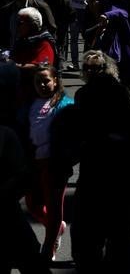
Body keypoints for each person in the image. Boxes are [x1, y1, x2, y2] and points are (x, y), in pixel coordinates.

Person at [58, 51, 130, 273]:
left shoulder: (82, 115)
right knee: (118, 251)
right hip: (124, 190)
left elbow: (68, 152)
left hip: (94, 189)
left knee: (88, 251)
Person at [0, 62, 51, 274]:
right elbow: (23, 176)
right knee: (29, 258)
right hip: (6, 213)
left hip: (8, 210)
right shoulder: (7, 131)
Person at [25, 65, 73, 262]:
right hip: (35, 162)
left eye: (46, 80)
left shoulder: (65, 104)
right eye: (38, 82)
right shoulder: (31, 103)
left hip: (55, 164)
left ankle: (48, 248)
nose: (42, 85)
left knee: (54, 208)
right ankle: (57, 227)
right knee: (32, 203)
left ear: (55, 80)